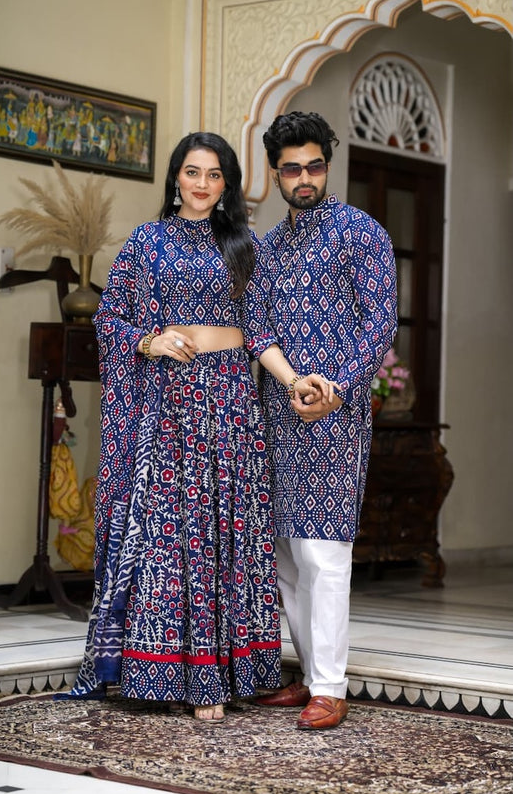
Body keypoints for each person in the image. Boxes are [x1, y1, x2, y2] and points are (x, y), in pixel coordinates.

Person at [62, 131, 333, 722]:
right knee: (177, 531)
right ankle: (189, 679)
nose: (203, 185)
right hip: (170, 404)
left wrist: (296, 379)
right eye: (192, 172)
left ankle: (236, 672)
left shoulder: (246, 245)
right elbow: (111, 318)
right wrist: (151, 340)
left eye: (215, 175)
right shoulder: (148, 241)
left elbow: (265, 330)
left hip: (233, 400)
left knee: (229, 531)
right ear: (176, 178)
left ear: (228, 184)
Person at [254, 112, 398, 730]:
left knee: (324, 550)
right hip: (277, 411)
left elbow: (380, 322)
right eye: (293, 168)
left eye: (315, 165)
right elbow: (257, 326)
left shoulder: (362, 232)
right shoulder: (266, 247)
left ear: (327, 165)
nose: (305, 177)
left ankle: (332, 686)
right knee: (286, 552)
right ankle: (310, 674)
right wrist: (291, 382)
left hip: (336, 416)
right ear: (276, 173)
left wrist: (337, 387)